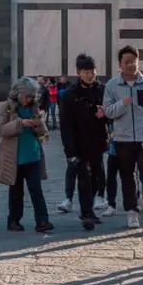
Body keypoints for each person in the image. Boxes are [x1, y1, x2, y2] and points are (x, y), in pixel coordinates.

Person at [103, 45, 143, 229]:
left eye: (133, 61)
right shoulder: (112, 86)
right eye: (126, 62)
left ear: (138, 62)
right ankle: (132, 212)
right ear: (120, 64)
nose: (130, 65)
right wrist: (122, 104)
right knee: (127, 177)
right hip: (122, 139)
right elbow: (108, 112)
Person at [0, 76, 53, 233]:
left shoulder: (34, 108)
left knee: (36, 189)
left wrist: (37, 125)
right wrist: (20, 124)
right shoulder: (6, 107)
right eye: (27, 96)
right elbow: (0, 130)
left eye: (32, 96)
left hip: (32, 155)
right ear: (18, 94)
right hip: (14, 157)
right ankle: (13, 220)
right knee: (16, 191)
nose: (30, 99)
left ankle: (42, 221)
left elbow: (42, 131)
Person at [58, 54, 108, 231]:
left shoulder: (102, 90)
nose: (89, 75)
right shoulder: (70, 94)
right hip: (79, 144)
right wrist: (69, 150)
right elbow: (65, 124)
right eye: (86, 72)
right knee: (84, 179)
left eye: (92, 72)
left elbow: (109, 114)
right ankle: (86, 213)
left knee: (97, 178)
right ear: (79, 73)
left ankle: (89, 209)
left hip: (98, 142)